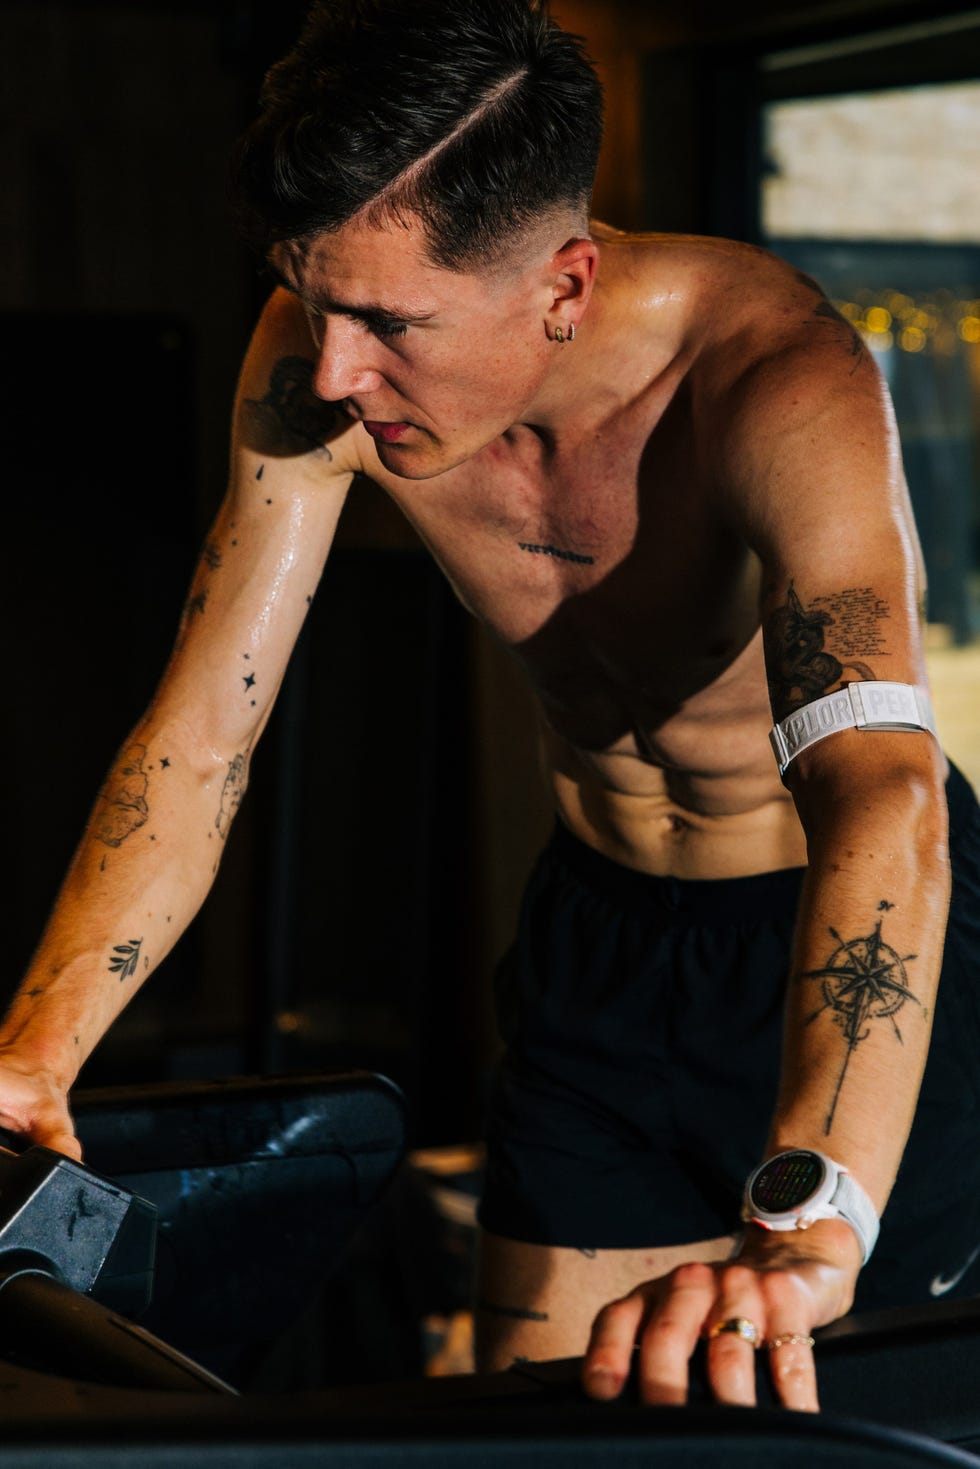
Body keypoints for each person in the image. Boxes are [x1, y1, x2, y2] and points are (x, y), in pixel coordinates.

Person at [2, 0, 979, 1415]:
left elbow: (880, 785)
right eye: (313, 297)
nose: (333, 372)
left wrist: (813, 1220)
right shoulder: (315, 355)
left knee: (857, 1432)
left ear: (565, 286)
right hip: (606, 943)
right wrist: (36, 1056)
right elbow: (202, 734)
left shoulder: (774, 380)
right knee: (538, 1438)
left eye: (389, 323)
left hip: (855, 935)